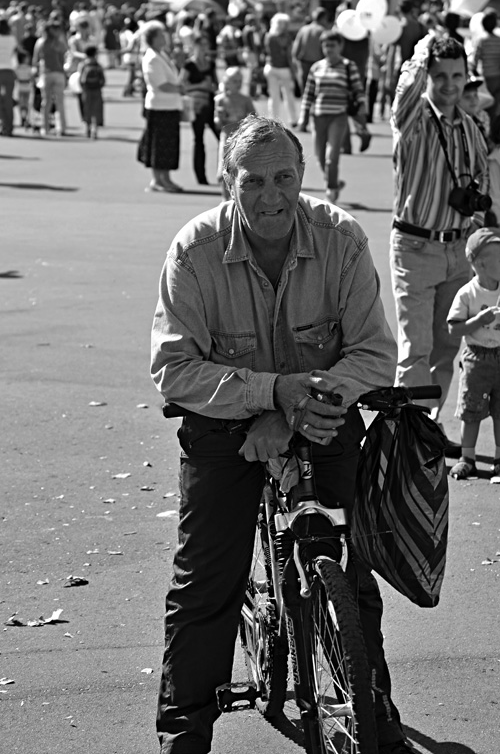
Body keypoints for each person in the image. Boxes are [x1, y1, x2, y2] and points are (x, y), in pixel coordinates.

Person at [151, 114, 416, 754]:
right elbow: (173, 368)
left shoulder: (341, 239)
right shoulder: (194, 251)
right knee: (206, 581)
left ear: (302, 176)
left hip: (320, 412)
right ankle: (184, 730)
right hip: (223, 420)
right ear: (228, 182)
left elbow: (375, 355)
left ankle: (372, 705)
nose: (271, 196)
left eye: (283, 179)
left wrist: (294, 409)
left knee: (352, 569)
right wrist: (272, 394)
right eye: (253, 181)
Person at [390, 34, 489, 453]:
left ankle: (426, 429)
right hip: (415, 247)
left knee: (446, 350)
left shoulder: (470, 128)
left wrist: (476, 230)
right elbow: (405, 89)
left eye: (457, 75)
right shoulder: (413, 118)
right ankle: (405, 437)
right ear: (428, 77)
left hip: (457, 250)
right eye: (440, 75)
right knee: (416, 350)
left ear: (466, 76)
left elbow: (482, 185)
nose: (449, 84)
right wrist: (424, 48)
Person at [447, 227, 500, 479]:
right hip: (476, 359)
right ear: (480, 264)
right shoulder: (468, 293)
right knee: (471, 411)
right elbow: (453, 328)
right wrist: (479, 320)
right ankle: (467, 458)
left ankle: (499, 458)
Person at [298, 28, 368, 204]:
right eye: (325, 45)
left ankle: (331, 190)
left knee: (332, 157)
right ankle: (334, 182)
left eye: (332, 45)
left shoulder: (348, 66)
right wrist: (303, 116)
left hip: (338, 116)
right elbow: (309, 93)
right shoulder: (316, 67)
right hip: (318, 116)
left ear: (340, 46)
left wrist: (362, 106)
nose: (328, 49)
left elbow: (358, 88)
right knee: (319, 157)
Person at [137, 22, 184, 194]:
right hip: (159, 106)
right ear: (153, 38)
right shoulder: (151, 57)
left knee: (168, 145)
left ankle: (165, 178)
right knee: (159, 144)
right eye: (161, 35)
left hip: (169, 105)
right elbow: (160, 84)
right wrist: (179, 88)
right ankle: (158, 179)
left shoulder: (161, 54)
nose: (164, 37)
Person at [181, 34, 219, 185]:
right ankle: (200, 176)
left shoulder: (211, 64)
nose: (204, 48)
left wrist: (211, 87)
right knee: (199, 139)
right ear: (195, 46)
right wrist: (200, 86)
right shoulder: (189, 65)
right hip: (196, 105)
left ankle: (226, 174)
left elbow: (216, 84)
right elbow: (182, 86)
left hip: (210, 104)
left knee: (223, 137)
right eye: (201, 45)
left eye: (206, 45)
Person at [213, 66, 255, 199]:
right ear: (227, 82)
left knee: (240, 168)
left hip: (241, 138)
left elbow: (254, 117)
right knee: (224, 169)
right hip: (226, 137)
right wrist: (219, 118)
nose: (238, 84)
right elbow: (217, 122)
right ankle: (225, 199)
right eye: (235, 81)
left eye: (240, 81)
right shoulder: (220, 99)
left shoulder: (245, 99)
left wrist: (246, 121)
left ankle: (238, 198)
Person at [32, 21, 68, 137]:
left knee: (46, 102)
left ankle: (45, 127)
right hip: (59, 73)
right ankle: (61, 127)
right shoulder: (59, 43)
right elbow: (64, 57)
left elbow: (35, 60)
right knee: (60, 102)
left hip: (46, 73)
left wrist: (35, 73)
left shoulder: (41, 42)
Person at [263, 12, 298, 128]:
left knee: (274, 96)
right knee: (288, 95)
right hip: (283, 68)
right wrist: (293, 70)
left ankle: (273, 119)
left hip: (271, 67)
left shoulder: (268, 36)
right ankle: (293, 119)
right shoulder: (286, 38)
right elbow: (289, 56)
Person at [291, 7, 330, 100]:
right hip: (318, 65)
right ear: (323, 18)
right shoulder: (322, 30)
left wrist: (296, 63)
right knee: (318, 93)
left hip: (304, 65)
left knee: (306, 94)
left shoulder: (303, 29)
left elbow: (295, 50)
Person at [469, 9, 500, 121]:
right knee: (495, 107)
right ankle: (493, 128)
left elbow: (474, 60)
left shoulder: (481, 40)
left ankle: (486, 128)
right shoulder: (498, 40)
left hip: (486, 79)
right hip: (498, 78)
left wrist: (472, 71)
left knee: (485, 105)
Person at [79, 44, 105, 139]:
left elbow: (80, 79)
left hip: (87, 90)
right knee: (96, 110)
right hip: (97, 89)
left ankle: (87, 129)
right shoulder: (98, 65)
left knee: (87, 109)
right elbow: (103, 79)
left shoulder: (83, 65)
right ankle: (95, 130)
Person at [0, 17, 17, 136]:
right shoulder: (12, 39)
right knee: (8, 100)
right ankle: (9, 127)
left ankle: (4, 125)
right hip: (9, 71)